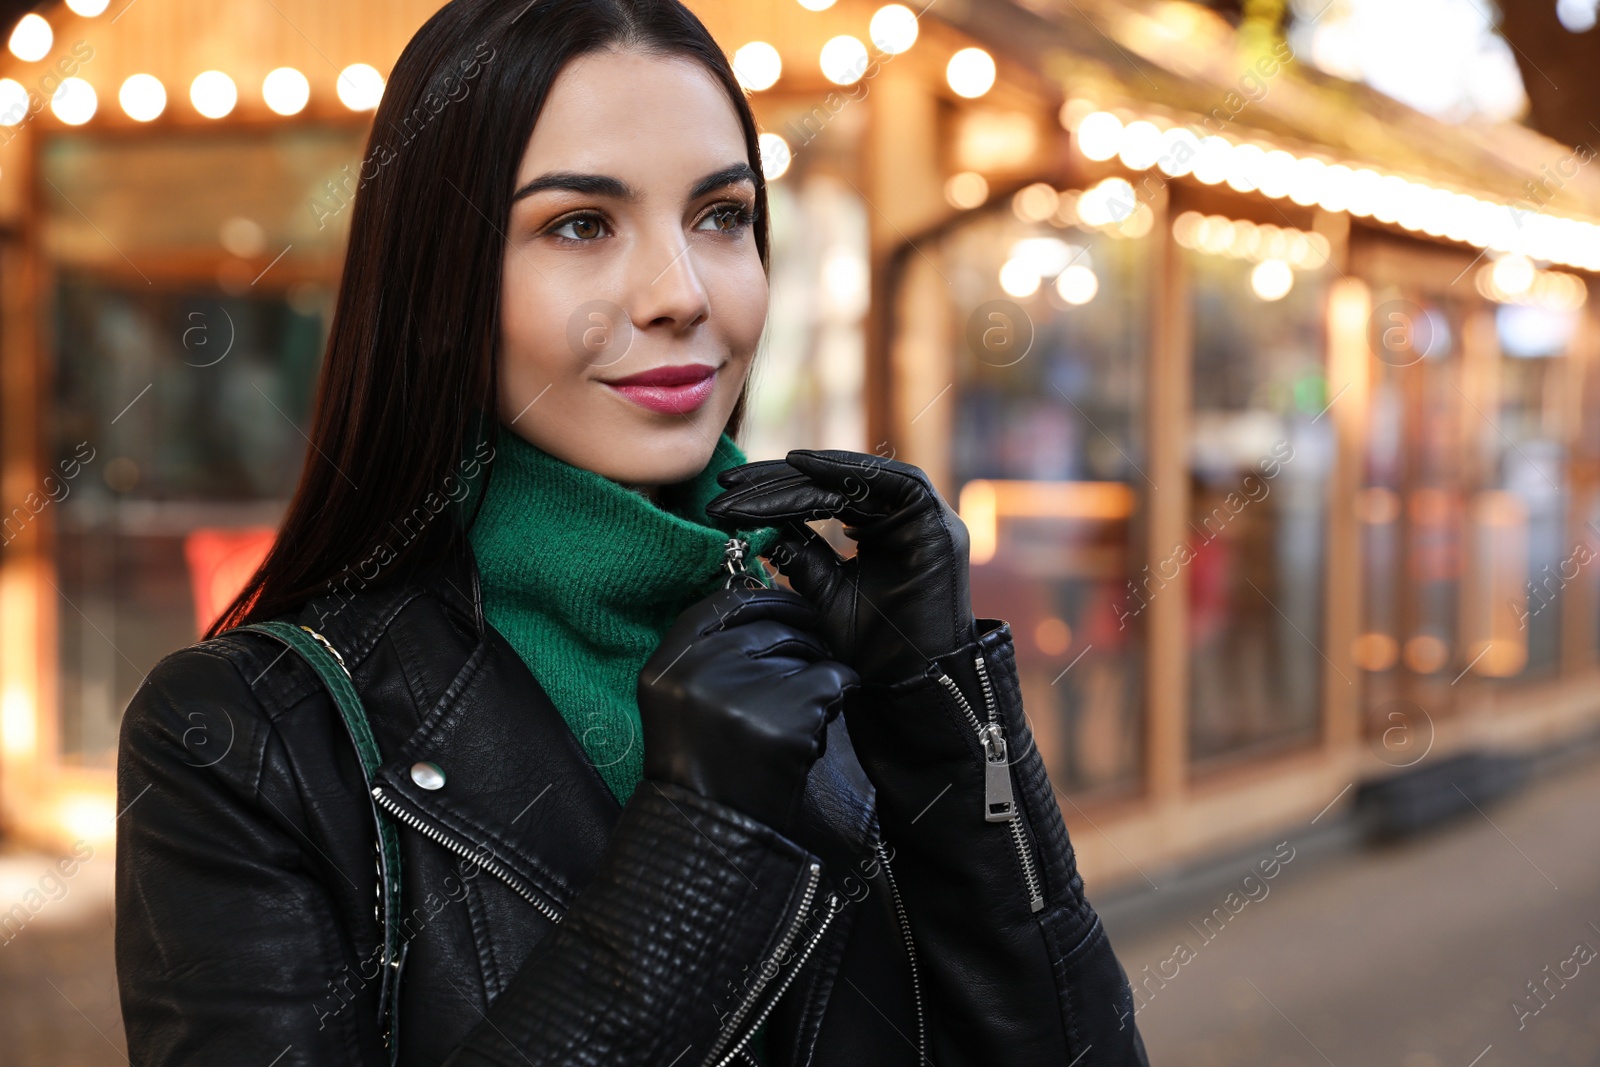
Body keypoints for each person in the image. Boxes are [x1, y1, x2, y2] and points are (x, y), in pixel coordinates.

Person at [112, 1, 1148, 1063]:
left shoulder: (825, 647)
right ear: (441, 289)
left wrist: (944, 711)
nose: (681, 293)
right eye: (580, 224)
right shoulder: (243, 741)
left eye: (721, 215)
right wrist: (696, 851)